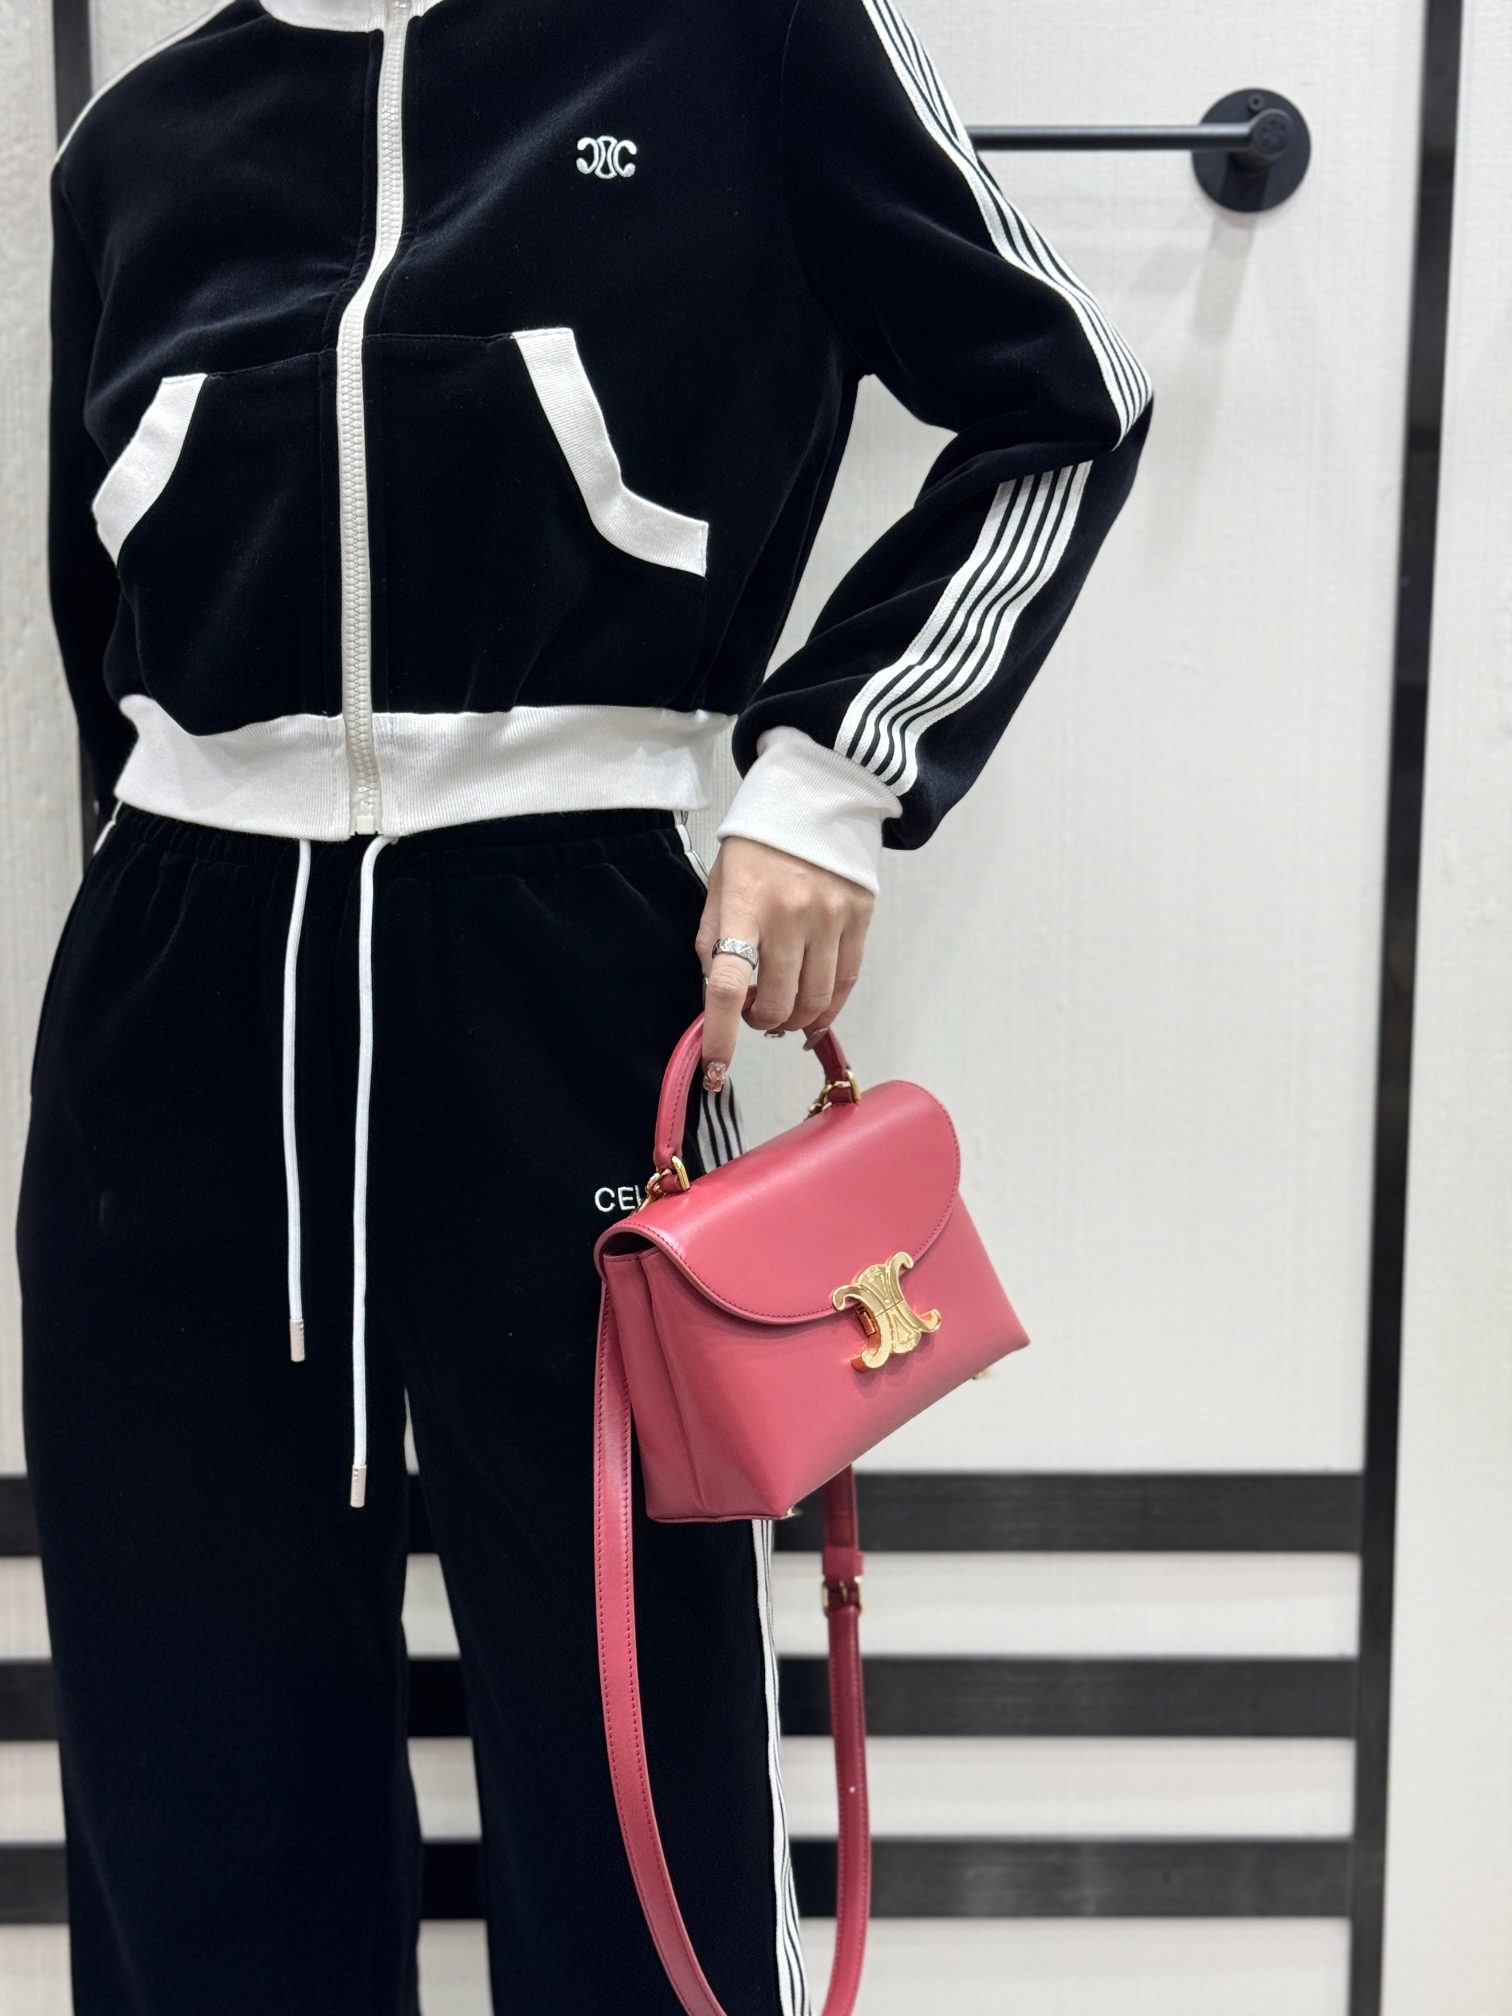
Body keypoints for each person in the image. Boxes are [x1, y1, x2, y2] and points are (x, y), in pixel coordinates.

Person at [21, 0, 1151, 2010]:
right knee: (186, 1736)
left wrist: (834, 775)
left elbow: (1065, 400)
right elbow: (99, 621)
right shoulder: (139, 140)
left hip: (562, 964)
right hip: (177, 988)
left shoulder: (737, 42)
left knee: (633, 1739)